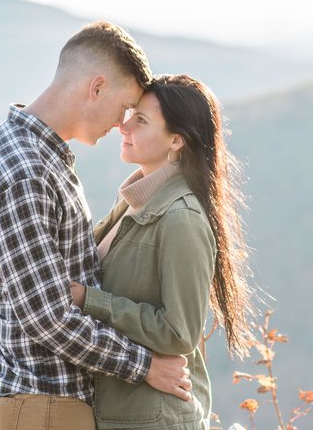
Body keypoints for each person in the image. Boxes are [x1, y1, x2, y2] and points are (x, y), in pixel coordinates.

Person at [0, 23, 191, 430]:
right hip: (43, 399)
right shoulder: (25, 170)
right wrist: (146, 367)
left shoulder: (41, 156)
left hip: (48, 399)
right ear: (96, 87)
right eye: (124, 108)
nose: (122, 125)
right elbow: (46, 317)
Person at [71, 74, 254, 430]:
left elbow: (180, 333)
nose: (124, 126)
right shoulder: (134, 201)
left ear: (176, 140)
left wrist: (90, 300)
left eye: (140, 120)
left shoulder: (181, 219)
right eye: (130, 115)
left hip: (157, 418)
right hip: (126, 412)